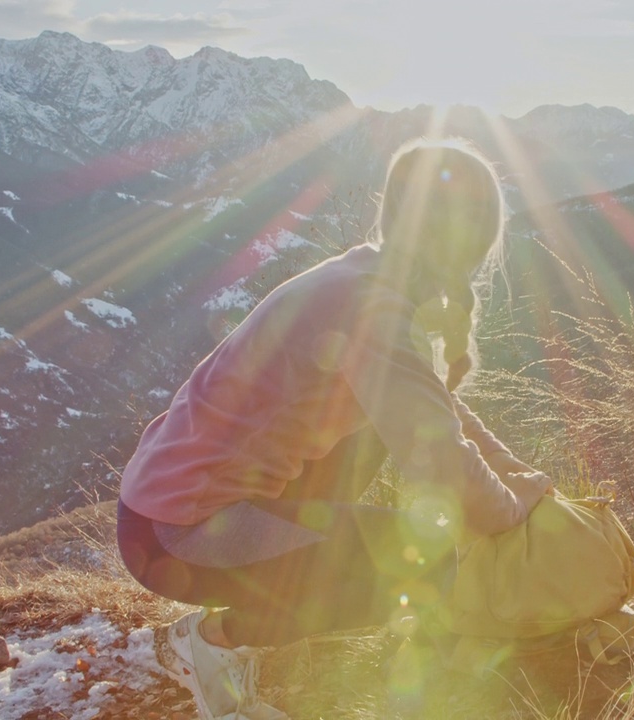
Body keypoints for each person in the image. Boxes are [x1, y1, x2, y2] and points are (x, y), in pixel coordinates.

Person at [116, 137, 554, 720]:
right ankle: (213, 642)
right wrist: (508, 511)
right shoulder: (374, 307)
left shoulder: (365, 274)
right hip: (176, 531)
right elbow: (440, 459)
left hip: (166, 503)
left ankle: (287, 585)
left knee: (377, 434)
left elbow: (432, 411)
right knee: (426, 562)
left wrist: (516, 476)